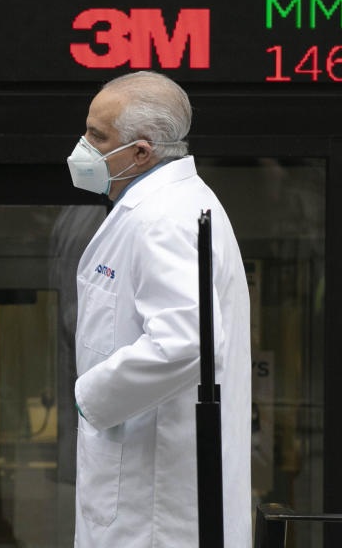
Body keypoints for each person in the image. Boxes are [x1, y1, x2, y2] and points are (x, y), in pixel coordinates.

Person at [65, 71, 251, 547]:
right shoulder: (158, 207)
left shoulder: (165, 219)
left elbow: (186, 341)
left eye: (97, 136)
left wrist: (92, 398)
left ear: (141, 151)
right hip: (137, 477)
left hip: (153, 502)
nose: (83, 146)